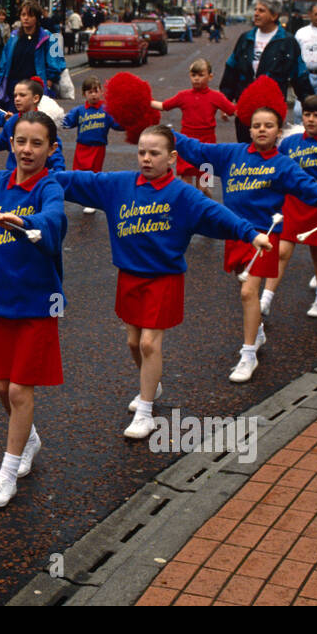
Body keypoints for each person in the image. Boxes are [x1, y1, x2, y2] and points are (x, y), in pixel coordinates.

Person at [57, 126, 272, 437]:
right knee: (133, 342)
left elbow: (216, 214)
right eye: (142, 152)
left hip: (164, 277)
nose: (146, 158)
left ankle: (145, 412)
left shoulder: (183, 194)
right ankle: (151, 384)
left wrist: (250, 233)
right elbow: (78, 181)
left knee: (148, 343)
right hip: (129, 276)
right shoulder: (119, 185)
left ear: (172, 157)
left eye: (154, 153)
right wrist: (39, 177)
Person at [173, 92, 317, 383]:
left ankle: (248, 355)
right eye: (257, 125)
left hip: (266, 235)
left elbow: (309, 188)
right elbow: (196, 149)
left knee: (249, 292)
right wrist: (166, 133)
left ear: (279, 132)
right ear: (249, 129)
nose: (262, 129)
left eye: (269, 125)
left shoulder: (284, 164)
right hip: (235, 233)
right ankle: (257, 332)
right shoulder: (230, 154)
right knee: (244, 291)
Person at [0, 111, 66, 508]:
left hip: (37, 305)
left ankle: (7, 474)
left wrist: (25, 222)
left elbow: (53, 219)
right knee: (1, 387)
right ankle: (29, 437)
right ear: (11, 143)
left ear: (51, 149)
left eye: (36, 143)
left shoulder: (49, 187)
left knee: (21, 390)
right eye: (21, 141)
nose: (27, 149)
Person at [262, 96, 317, 319]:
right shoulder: (290, 143)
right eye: (307, 114)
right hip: (293, 203)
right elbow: (276, 165)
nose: (311, 119)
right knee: (281, 252)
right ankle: (266, 300)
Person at [219, 0, 313, 143]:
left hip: (272, 108)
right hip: (245, 107)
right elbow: (232, 69)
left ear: (274, 15)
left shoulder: (287, 42)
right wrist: (225, 101)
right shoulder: (245, 39)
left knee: (269, 152)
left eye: (261, 10)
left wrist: (310, 106)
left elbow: (299, 74)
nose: (256, 13)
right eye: (255, 9)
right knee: (245, 149)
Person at [152, 58, 237, 196]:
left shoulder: (216, 97)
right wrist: (143, 99)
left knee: (203, 186)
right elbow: (163, 106)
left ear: (210, 77)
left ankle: (206, 204)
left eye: (201, 75)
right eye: (193, 75)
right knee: (186, 182)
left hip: (207, 144)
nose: (196, 79)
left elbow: (234, 110)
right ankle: (191, 212)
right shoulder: (183, 96)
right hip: (186, 143)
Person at [61, 76, 122, 211]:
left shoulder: (107, 110)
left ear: (101, 92)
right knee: (79, 174)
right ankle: (80, 195)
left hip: (98, 147)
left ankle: (91, 201)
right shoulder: (79, 110)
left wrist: (127, 121)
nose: (93, 94)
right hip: (82, 147)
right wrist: (56, 119)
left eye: (96, 91)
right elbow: (66, 122)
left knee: (94, 175)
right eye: (90, 92)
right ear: (84, 94)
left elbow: (117, 124)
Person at [0, 0, 68, 110]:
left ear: (37, 18)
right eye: (23, 15)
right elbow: (4, 61)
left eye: (30, 15)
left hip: (34, 88)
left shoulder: (49, 37)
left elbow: (58, 62)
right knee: (13, 123)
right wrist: (1, 78)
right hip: (13, 88)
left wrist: (49, 81)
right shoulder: (13, 37)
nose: (26, 18)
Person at [0, 77, 66, 173]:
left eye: (22, 95)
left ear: (35, 98)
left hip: (37, 175)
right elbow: (2, 140)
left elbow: (55, 151)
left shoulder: (43, 122)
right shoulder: (12, 120)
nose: (17, 99)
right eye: (15, 95)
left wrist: (59, 172)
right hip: (13, 174)